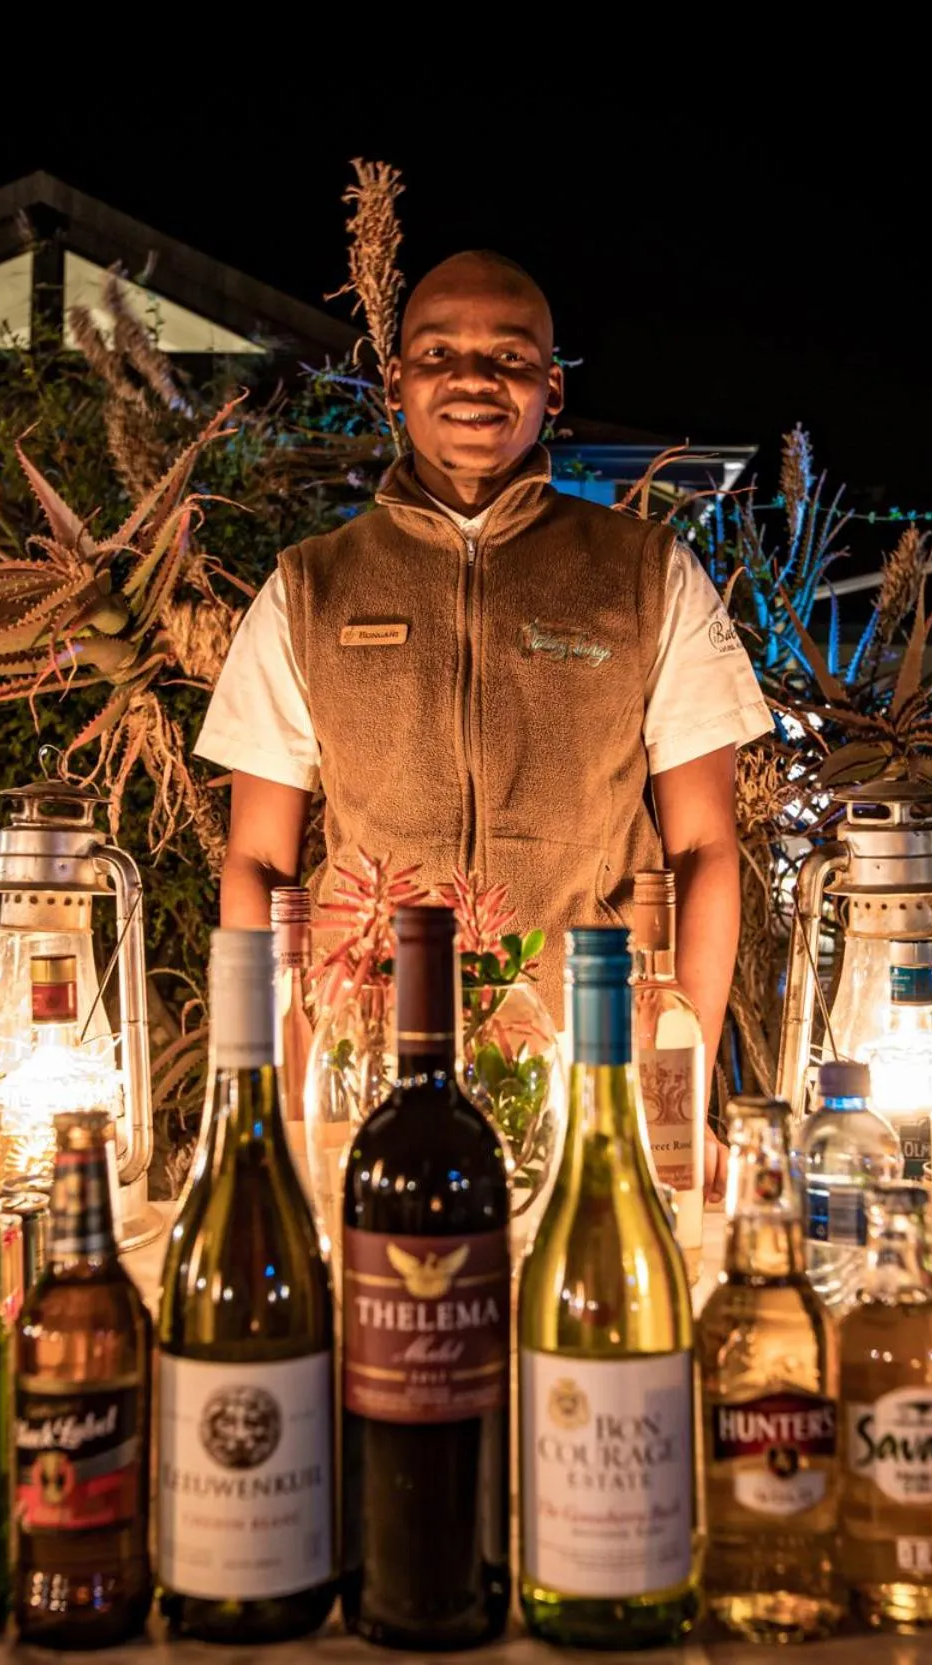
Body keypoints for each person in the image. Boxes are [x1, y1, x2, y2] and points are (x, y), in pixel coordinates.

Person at [196, 251, 770, 1193]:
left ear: (551, 384)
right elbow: (259, 863)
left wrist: (680, 1084)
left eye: (509, 357)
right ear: (396, 382)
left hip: (595, 1079)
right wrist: (284, 1081)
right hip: (370, 1079)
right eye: (439, 352)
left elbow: (706, 845)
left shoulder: (647, 575)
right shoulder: (309, 587)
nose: (473, 378)